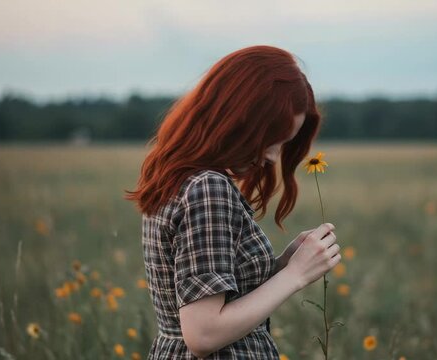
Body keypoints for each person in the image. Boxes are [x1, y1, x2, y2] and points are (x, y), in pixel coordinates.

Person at [125, 45, 341, 359]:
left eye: (283, 144)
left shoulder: (181, 177)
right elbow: (204, 333)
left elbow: (219, 300)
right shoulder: (207, 188)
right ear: (239, 119)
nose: (271, 157)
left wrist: (284, 265)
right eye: (271, 139)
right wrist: (296, 276)